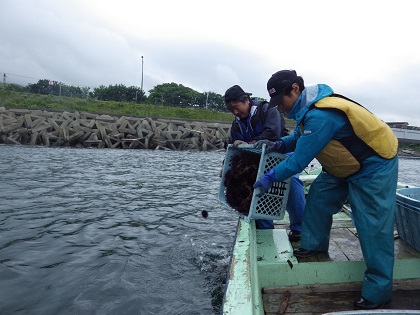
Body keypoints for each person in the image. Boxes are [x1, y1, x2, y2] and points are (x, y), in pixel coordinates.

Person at [253, 70, 398, 310]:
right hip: (343, 163)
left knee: (373, 226)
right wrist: (278, 144)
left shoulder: (321, 115)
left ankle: (379, 291)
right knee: (319, 199)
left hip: (374, 164)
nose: (280, 108)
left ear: (295, 90)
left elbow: (298, 160)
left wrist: (270, 176)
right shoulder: (307, 112)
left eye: (282, 101)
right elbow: (298, 138)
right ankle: (313, 244)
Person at [223, 84, 306, 240]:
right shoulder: (236, 124)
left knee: (291, 182)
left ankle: (299, 227)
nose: (235, 112)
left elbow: (273, 133)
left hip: (280, 151)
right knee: (255, 186)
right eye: (231, 110)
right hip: (258, 160)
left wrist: (250, 143)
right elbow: (232, 147)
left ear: (246, 100)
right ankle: (264, 228)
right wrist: (224, 167)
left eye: (236, 107)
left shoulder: (267, 109)